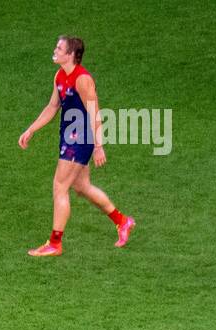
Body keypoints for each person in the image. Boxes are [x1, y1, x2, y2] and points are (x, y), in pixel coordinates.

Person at [18, 36, 135, 256]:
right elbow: (53, 106)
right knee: (82, 187)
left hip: (80, 140)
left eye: (59, 48)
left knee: (59, 186)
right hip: (69, 136)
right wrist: (31, 129)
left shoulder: (82, 80)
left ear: (71, 54)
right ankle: (123, 221)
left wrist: (99, 146)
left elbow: (95, 112)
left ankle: (55, 244)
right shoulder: (60, 76)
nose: (55, 50)